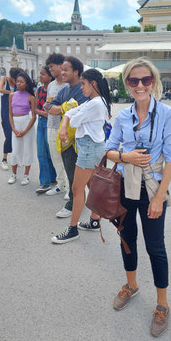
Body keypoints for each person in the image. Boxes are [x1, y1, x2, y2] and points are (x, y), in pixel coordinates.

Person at [105, 57, 171, 337]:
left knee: (155, 247)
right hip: (124, 187)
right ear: (126, 83)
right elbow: (109, 150)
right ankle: (131, 285)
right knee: (127, 239)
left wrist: (160, 198)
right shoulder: (123, 116)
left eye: (145, 80)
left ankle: (162, 304)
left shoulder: (167, 115)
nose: (139, 85)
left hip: (151, 189)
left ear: (154, 82)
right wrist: (126, 156)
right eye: (133, 80)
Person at [51, 69, 111, 244]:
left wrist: (68, 118)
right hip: (91, 147)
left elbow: (74, 119)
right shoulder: (97, 101)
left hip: (89, 148)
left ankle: (72, 229)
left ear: (93, 84)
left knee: (77, 190)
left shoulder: (95, 104)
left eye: (83, 83)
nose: (81, 87)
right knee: (91, 186)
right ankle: (94, 221)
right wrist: (66, 120)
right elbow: (70, 113)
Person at [47, 56, 89, 218]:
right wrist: (63, 107)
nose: (62, 72)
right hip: (66, 138)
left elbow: (80, 112)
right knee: (71, 173)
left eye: (66, 70)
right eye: (62, 69)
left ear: (76, 72)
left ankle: (75, 204)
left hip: (81, 139)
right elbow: (51, 108)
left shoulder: (83, 89)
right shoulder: (64, 90)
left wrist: (61, 109)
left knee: (83, 176)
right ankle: (76, 202)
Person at [43, 53, 69, 197]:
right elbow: (48, 104)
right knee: (55, 157)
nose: (50, 70)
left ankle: (71, 188)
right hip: (51, 125)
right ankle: (61, 184)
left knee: (67, 159)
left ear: (61, 66)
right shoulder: (51, 85)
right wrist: (47, 105)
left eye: (52, 67)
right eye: (49, 67)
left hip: (65, 127)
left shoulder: (68, 84)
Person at [8, 72, 36, 185]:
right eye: (17, 81)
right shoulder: (11, 95)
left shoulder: (31, 97)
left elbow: (34, 116)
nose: (18, 84)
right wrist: (14, 129)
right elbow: (10, 114)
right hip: (15, 123)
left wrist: (25, 131)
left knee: (27, 150)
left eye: (21, 82)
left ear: (26, 83)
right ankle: (13, 174)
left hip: (26, 123)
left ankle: (26, 175)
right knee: (15, 150)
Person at [35, 66, 57, 194]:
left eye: (43, 74)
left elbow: (49, 112)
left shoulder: (53, 89)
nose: (40, 76)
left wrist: (42, 112)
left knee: (51, 153)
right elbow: (35, 107)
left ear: (50, 76)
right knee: (41, 153)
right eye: (40, 74)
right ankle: (45, 182)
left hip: (51, 122)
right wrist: (43, 113)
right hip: (41, 123)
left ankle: (53, 178)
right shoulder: (39, 89)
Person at [0, 68, 23, 171]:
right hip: (6, 112)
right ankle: (4, 159)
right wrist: (12, 92)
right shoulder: (4, 79)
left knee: (16, 135)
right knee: (8, 135)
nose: (16, 82)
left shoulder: (19, 83)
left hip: (17, 112)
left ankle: (16, 158)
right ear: (11, 77)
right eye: (15, 79)